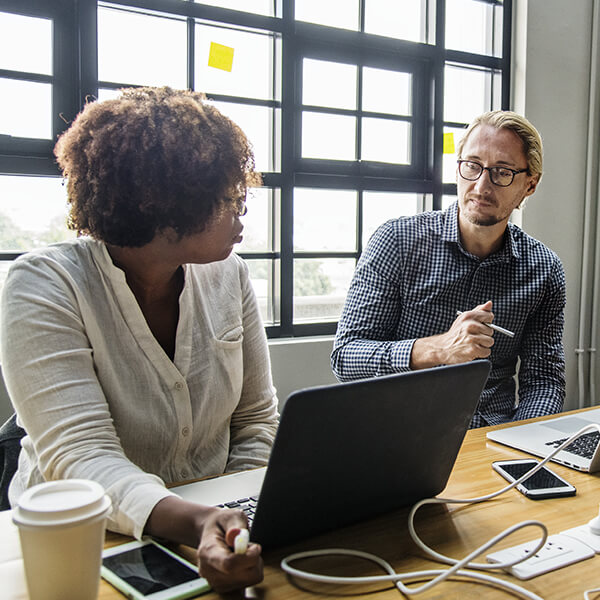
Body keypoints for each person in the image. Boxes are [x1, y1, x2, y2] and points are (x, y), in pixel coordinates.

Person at [0, 86, 279, 592]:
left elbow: (256, 419)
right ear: (168, 207)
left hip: (214, 531)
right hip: (77, 545)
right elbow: (80, 458)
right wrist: (197, 522)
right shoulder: (43, 285)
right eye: (229, 198)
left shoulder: (229, 275)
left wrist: (233, 516)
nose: (242, 213)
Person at [331, 110, 566, 428]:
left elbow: (544, 382)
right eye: (472, 166)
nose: (482, 186)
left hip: (491, 438)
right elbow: (346, 357)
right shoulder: (397, 241)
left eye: (502, 172)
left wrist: (521, 447)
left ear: (530, 184)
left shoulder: (545, 270)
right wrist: (437, 348)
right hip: (398, 434)